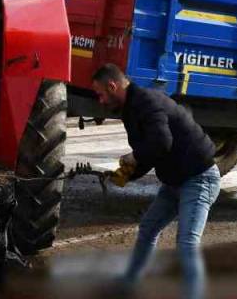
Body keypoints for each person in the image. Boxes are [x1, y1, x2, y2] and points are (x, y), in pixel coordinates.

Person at [92, 63, 220, 299]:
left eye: (100, 94)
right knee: (148, 228)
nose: (100, 101)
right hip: (175, 180)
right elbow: (151, 152)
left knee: (187, 243)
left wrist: (134, 156)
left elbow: (161, 142)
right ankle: (128, 284)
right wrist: (123, 175)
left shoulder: (146, 102)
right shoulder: (131, 108)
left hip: (199, 178)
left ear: (112, 86)